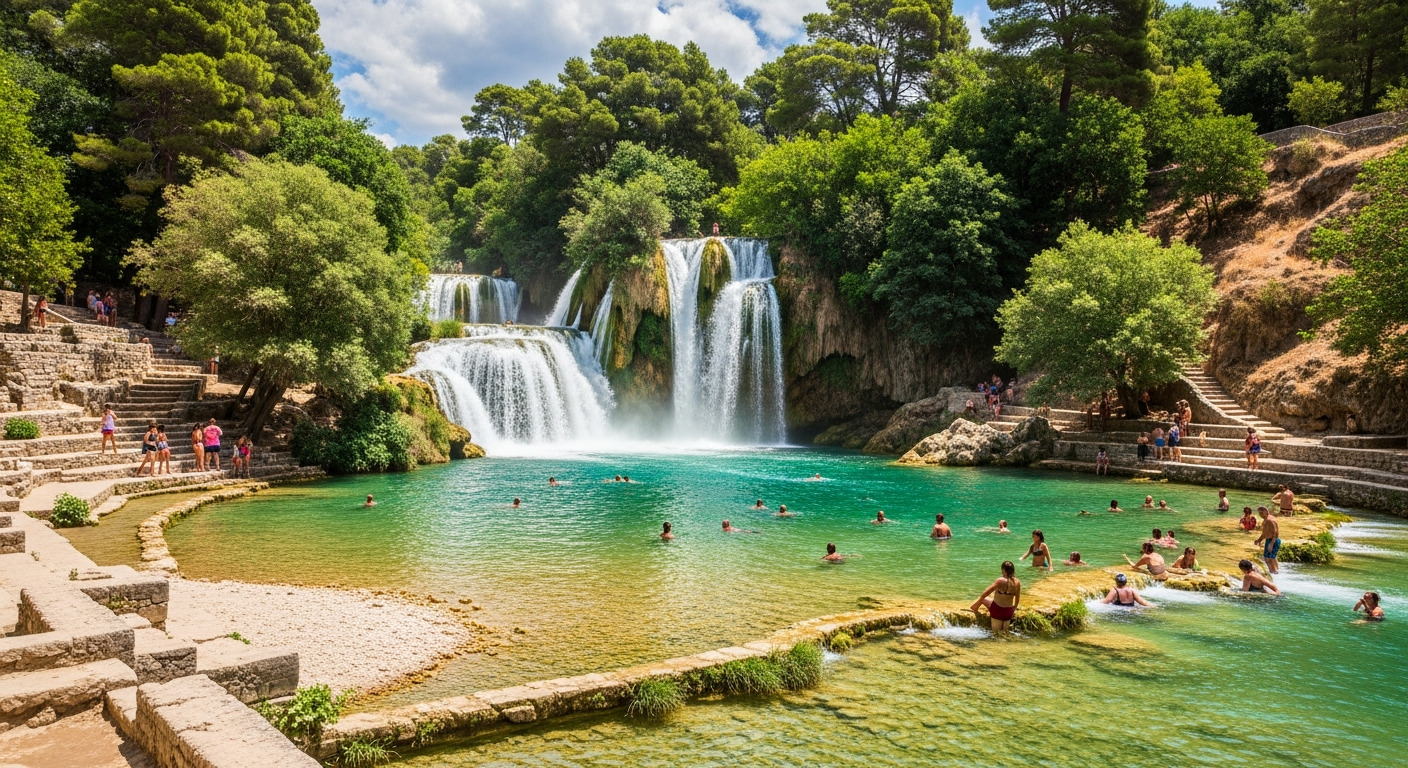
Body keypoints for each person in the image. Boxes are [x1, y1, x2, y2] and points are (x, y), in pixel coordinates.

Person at [971, 561, 1021, 633]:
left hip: (997, 610)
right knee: (1004, 634)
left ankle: (975, 608)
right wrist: (1013, 608)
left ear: (1003, 570)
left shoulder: (1000, 580)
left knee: (995, 635)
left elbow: (985, 593)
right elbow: (1017, 598)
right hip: (1008, 612)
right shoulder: (1017, 582)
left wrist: (977, 603)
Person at [1254, 506, 1281, 574]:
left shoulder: (1269, 520)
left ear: (1266, 511)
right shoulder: (1267, 519)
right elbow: (1265, 533)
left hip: (1273, 540)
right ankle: (1277, 571)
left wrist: (1271, 544)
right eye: (1259, 513)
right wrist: (1259, 540)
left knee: (1268, 559)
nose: (1260, 515)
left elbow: (1276, 532)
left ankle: (1273, 572)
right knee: (1273, 557)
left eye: (1262, 513)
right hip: (1271, 540)